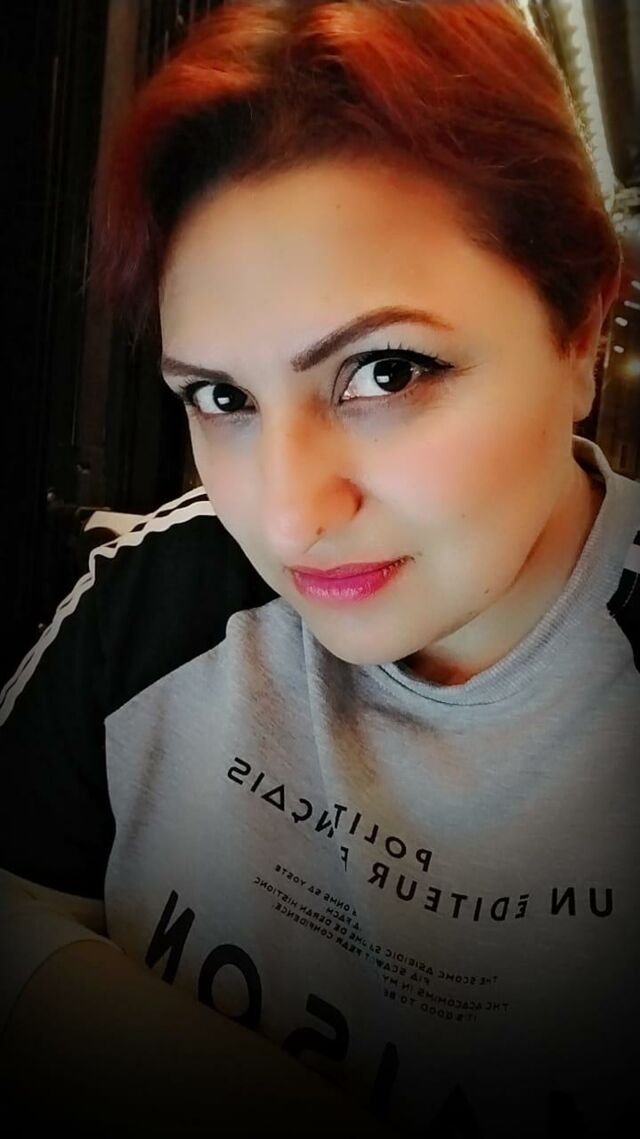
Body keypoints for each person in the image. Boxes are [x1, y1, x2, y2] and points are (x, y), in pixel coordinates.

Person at [1, 0, 638, 1134]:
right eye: (221, 397)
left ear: (581, 329)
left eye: (385, 372)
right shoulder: (163, 598)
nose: (289, 518)